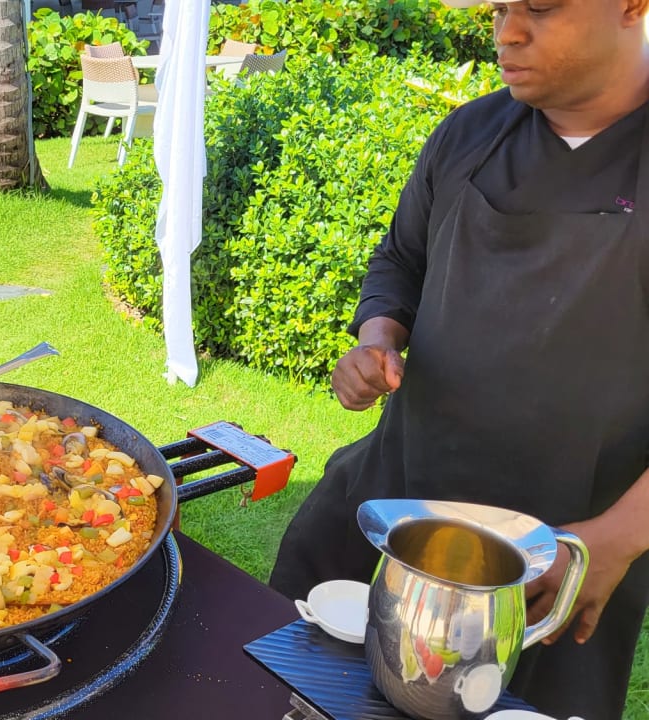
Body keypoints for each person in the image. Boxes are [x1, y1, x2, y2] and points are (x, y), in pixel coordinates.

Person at [267, 0, 649, 717]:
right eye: (500, 8)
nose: (508, 32)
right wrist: (378, 336)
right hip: (395, 497)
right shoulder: (471, 131)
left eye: (539, 7)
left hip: (559, 558)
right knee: (298, 689)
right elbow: (401, 259)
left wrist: (618, 537)